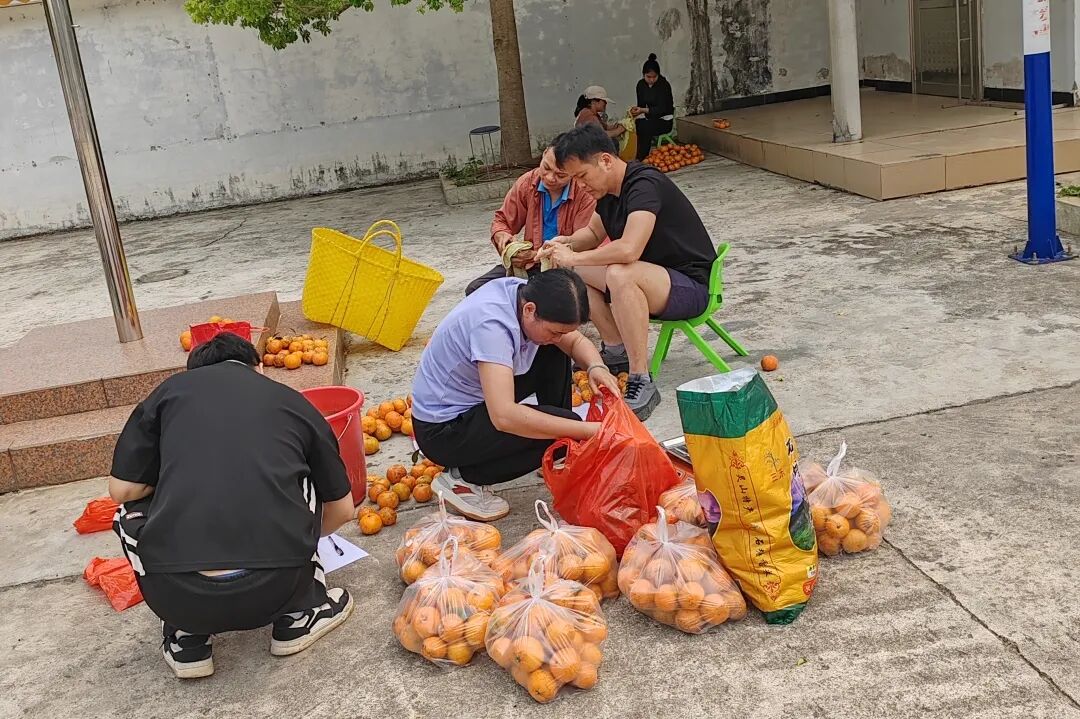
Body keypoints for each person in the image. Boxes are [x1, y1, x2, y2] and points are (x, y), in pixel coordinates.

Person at [109, 332, 356, 679]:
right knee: (305, 485)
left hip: (179, 595)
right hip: (275, 589)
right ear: (256, 368)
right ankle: (302, 615)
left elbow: (120, 491)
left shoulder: (167, 394)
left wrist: (166, 479)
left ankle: (186, 636)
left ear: (193, 371)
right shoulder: (291, 401)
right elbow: (343, 509)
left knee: (131, 507)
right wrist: (297, 538)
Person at [538, 124, 718, 421]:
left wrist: (574, 255)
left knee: (621, 273)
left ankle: (640, 378)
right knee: (577, 269)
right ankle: (615, 349)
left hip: (690, 285)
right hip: (655, 278)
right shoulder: (608, 191)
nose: (580, 186)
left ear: (606, 160)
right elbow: (593, 233)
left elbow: (629, 249)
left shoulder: (643, 184)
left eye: (582, 176)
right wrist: (565, 243)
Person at [411, 270, 621, 522]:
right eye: (554, 330)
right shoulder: (491, 326)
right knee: (563, 428)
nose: (558, 336)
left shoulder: (525, 294)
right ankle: (462, 480)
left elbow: (574, 343)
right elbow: (505, 417)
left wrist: (596, 367)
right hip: (442, 431)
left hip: (474, 399)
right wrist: (586, 431)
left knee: (553, 350)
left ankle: (557, 452)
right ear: (530, 310)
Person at [466, 140, 597, 296]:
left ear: (574, 172)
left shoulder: (585, 192)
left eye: (560, 175)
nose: (549, 178)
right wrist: (504, 241)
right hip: (527, 264)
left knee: (535, 298)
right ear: (543, 156)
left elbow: (582, 242)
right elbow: (502, 221)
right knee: (475, 290)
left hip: (564, 267)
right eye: (546, 168)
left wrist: (536, 256)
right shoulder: (528, 182)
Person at [630, 54, 675, 161]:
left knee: (645, 127)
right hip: (650, 119)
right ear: (643, 75)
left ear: (658, 75)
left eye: (654, 77)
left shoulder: (664, 85)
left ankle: (642, 157)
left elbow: (662, 109)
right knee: (636, 125)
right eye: (648, 77)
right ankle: (636, 154)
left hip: (664, 121)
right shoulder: (641, 85)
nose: (651, 80)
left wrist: (644, 110)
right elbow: (641, 105)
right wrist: (635, 112)